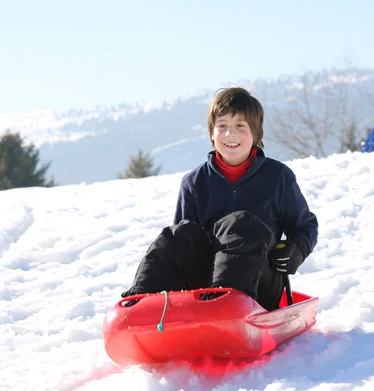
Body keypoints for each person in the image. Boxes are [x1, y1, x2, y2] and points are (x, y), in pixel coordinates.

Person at [121, 87, 318, 311]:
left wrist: (295, 250)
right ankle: (142, 305)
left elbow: (304, 226)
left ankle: (229, 303)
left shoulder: (277, 177)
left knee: (241, 223)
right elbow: (184, 246)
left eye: (240, 126)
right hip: (205, 288)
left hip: (259, 283)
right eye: (222, 126)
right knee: (177, 234)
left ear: (256, 134)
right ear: (212, 134)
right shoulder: (194, 183)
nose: (230, 134)